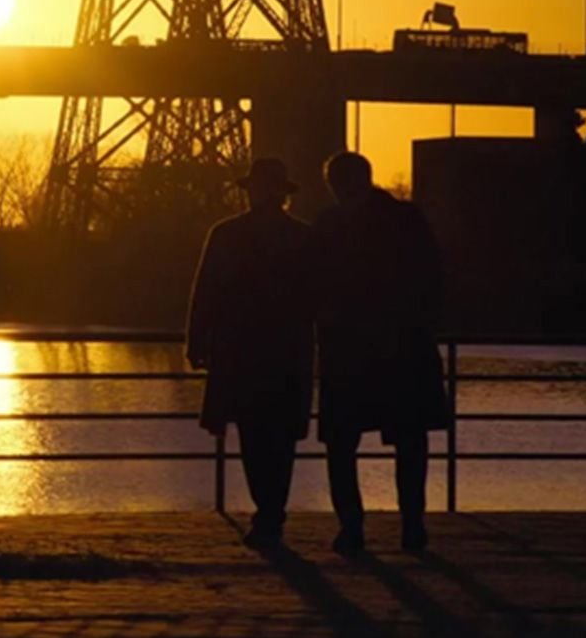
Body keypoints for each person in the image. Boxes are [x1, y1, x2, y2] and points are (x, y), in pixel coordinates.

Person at [311, 150, 449, 554]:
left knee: (341, 443)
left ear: (335, 184)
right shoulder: (406, 219)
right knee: (409, 441)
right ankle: (411, 525)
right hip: (404, 348)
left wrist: (325, 315)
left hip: (349, 350)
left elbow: (311, 280)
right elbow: (433, 275)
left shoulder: (328, 225)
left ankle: (352, 528)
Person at [185, 157, 314, 549]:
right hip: (289, 349)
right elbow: (323, 294)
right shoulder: (303, 237)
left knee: (254, 434)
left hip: (240, 349)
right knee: (281, 435)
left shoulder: (226, 234)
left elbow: (205, 290)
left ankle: (268, 511)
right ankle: (273, 510)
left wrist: (197, 339)